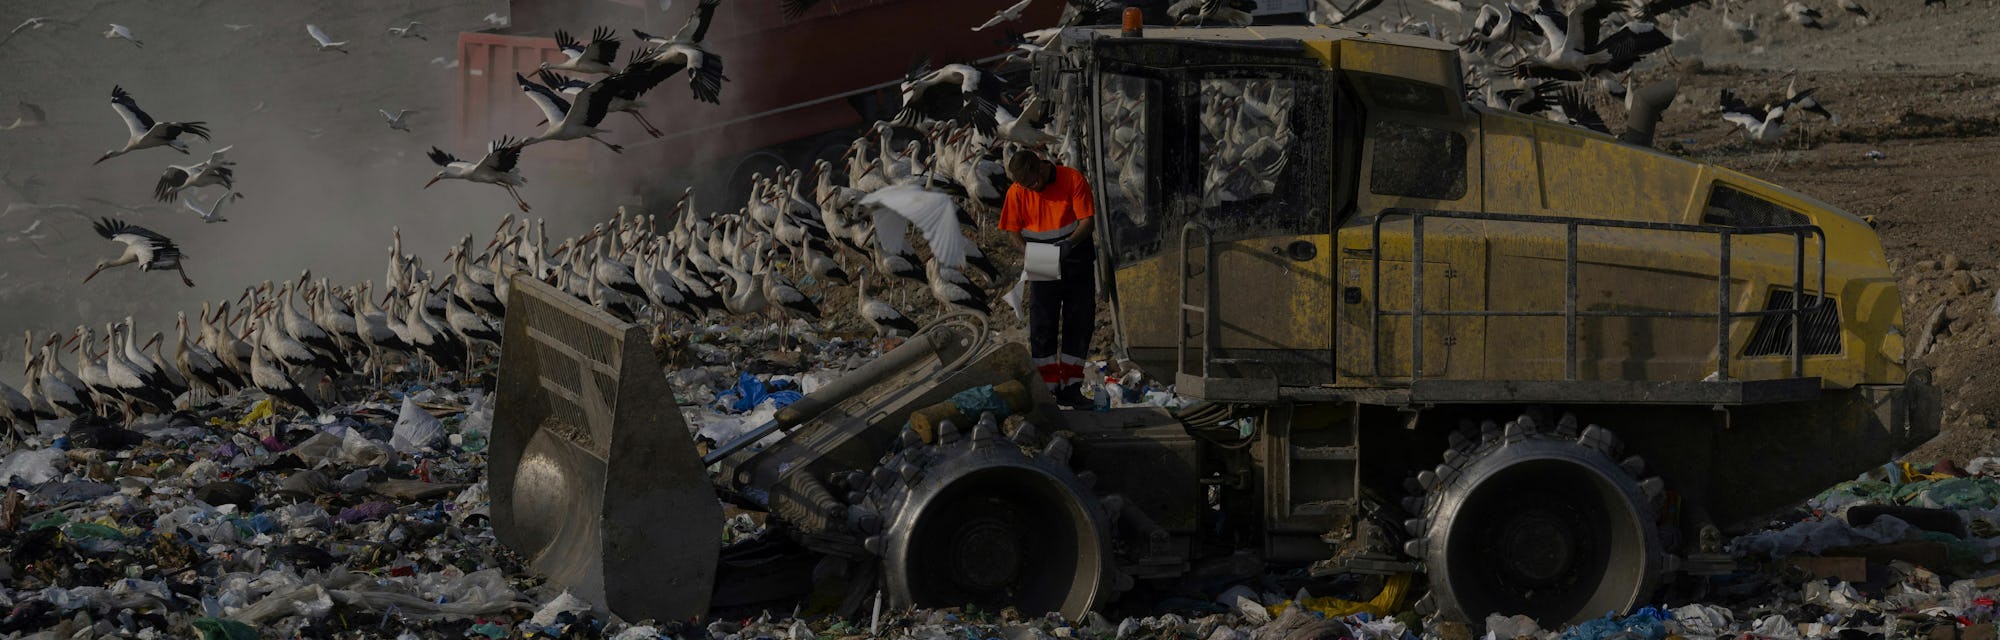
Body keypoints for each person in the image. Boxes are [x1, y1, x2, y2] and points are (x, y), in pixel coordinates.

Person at [1000, 149, 1097, 408]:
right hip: (1041, 257)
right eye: (1024, 186)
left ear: (1041, 167)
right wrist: (1029, 251)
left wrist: (1068, 243)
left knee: (1079, 321)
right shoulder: (1017, 191)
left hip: (1076, 256)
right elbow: (1012, 232)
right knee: (1043, 324)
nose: (1031, 189)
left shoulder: (1072, 179)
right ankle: (1048, 388)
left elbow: (1087, 222)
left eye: (1033, 183)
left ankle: (1071, 388)